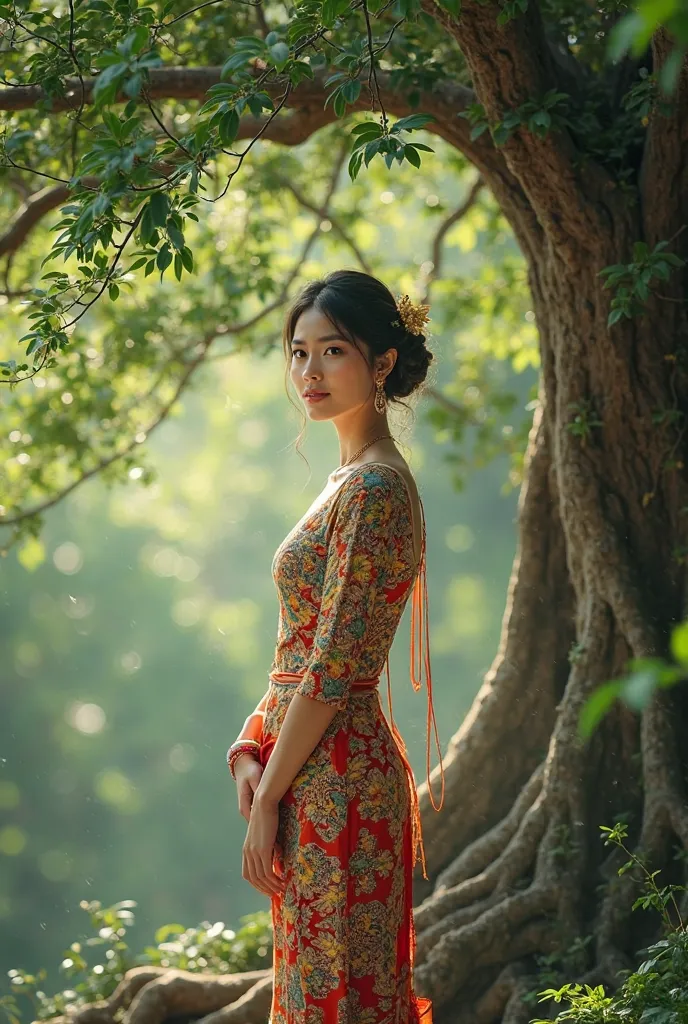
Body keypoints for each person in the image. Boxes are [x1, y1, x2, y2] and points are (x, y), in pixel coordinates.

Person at [226, 270, 445, 1024]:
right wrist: (252, 750)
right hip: (307, 769)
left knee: (338, 999)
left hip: (339, 782)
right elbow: (297, 652)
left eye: (332, 352)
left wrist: (270, 800)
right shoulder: (344, 479)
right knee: (314, 991)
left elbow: (332, 670)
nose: (309, 373)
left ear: (381, 364)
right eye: (298, 353)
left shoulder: (378, 491)